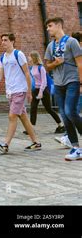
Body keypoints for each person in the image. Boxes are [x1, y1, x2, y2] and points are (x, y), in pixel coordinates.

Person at [0, 34, 41, 153]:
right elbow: (0, 75)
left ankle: (5, 144)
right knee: (23, 117)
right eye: (2, 40)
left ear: (12, 41)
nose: (3, 42)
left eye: (5, 40)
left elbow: (27, 73)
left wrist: (29, 92)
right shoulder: (2, 57)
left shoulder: (18, 54)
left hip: (20, 90)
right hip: (10, 92)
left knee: (12, 116)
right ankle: (36, 142)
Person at [44, 18, 82, 161]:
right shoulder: (50, 46)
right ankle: (76, 148)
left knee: (70, 111)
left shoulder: (72, 42)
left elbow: (80, 64)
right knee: (65, 117)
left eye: (50, 26)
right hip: (58, 84)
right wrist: (55, 63)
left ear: (59, 25)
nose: (48, 29)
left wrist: (81, 84)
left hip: (72, 81)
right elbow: (47, 67)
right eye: (47, 27)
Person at [27, 51, 64, 133]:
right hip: (35, 90)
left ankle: (61, 125)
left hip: (43, 90)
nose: (28, 58)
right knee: (33, 108)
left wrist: (41, 92)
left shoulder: (41, 68)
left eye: (29, 56)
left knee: (49, 109)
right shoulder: (32, 68)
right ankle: (31, 128)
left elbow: (44, 82)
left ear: (33, 57)